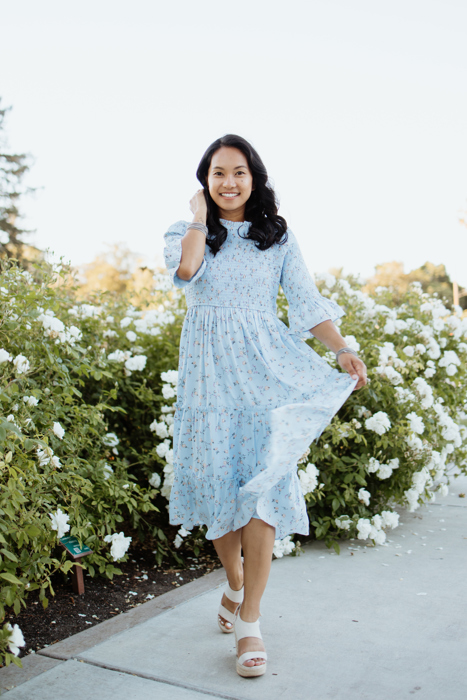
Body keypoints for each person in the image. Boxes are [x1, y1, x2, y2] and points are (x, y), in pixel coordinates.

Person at [163, 134, 367, 678]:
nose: (228, 182)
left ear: (255, 178)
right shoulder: (186, 233)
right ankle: (234, 583)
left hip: (263, 375)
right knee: (215, 489)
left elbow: (304, 302)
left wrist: (342, 349)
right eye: (217, 173)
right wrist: (197, 219)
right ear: (204, 181)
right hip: (209, 381)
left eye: (239, 172)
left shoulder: (276, 237)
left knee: (263, 487)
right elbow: (187, 273)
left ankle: (250, 619)